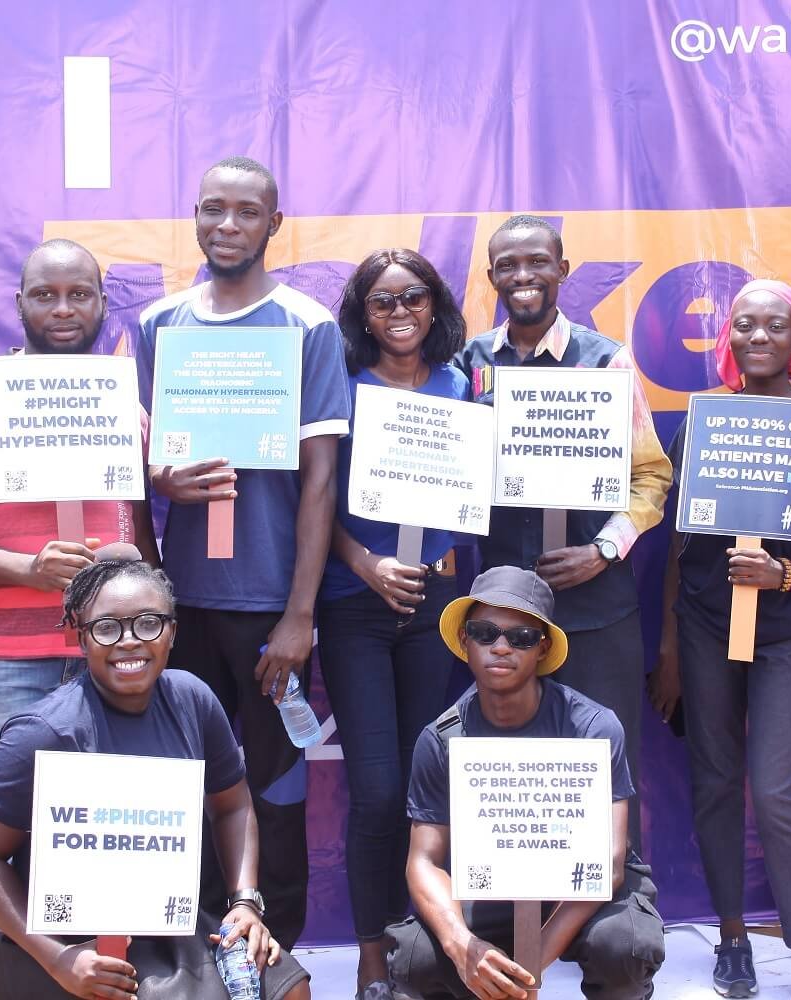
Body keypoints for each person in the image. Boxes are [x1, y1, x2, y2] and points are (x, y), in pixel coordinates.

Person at [135, 155, 350, 948]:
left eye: (247, 212)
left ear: (274, 224)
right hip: (181, 601)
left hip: (268, 606)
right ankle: (192, 947)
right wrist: (160, 476)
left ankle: (274, 947)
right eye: (213, 209)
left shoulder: (306, 326)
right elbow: (143, 461)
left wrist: (300, 614)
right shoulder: (159, 325)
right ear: (194, 215)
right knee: (183, 779)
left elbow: (320, 480)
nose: (228, 226)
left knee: (275, 784)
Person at [0, 237, 159, 945]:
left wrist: (149, 607)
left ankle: (102, 975)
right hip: (4, 664)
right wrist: (26, 569)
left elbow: (141, 529)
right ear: (19, 303)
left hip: (114, 656)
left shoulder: (124, 407)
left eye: (79, 294)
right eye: (45, 295)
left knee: (109, 838)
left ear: (103, 303)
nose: (63, 309)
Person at [0, 559, 311, 999]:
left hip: (166, 922)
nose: (129, 641)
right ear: (80, 637)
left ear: (172, 632)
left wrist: (244, 901)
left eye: (148, 623)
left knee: (288, 986)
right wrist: (58, 958)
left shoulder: (193, 701)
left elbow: (233, 806)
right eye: (107, 628)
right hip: (65, 937)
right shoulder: (45, 731)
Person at [650, 279, 791, 1000]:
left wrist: (785, 574)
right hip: (706, 626)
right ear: (728, 339)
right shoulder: (703, 422)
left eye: (776, 324)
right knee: (715, 780)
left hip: (787, 632)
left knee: (774, 788)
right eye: (744, 324)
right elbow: (679, 545)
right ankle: (733, 935)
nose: (758, 336)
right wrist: (670, 648)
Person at [452, 215, 671, 850]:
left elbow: (653, 475)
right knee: (514, 782)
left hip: (597, 610)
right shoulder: (468, 365)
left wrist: (604, 550)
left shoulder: (607, 361)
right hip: (504, 619)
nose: (523, 276)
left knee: (605, 773)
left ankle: (618, 906)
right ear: (491, 276)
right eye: (508, 265)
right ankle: (518, 905)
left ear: (563, 270)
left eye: (537, 262)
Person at [388, 566, 665, 999]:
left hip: (581, 889)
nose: (500, 647)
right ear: (464, 640)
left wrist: (529, 966)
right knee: (414, 958)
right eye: (484, 633)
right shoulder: (441, 740)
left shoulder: (592, 728)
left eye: (520, 637)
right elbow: (423, 861)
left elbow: (609, 866)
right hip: (490, 884)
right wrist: (463, 946)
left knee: (624, 944)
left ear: (543, 648)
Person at [318, 249, 469, 1000]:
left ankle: (425, 946)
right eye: (383, 301)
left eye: (413, 297)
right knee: (377, 792)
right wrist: (366, 563)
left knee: (425, 786)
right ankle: (373, 955)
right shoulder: (342, 387)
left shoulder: (463, 387)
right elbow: (313, 500)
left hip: (437, 607)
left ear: (435, 304)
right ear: (363, 314)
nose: (400, 312)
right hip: (356, 604)